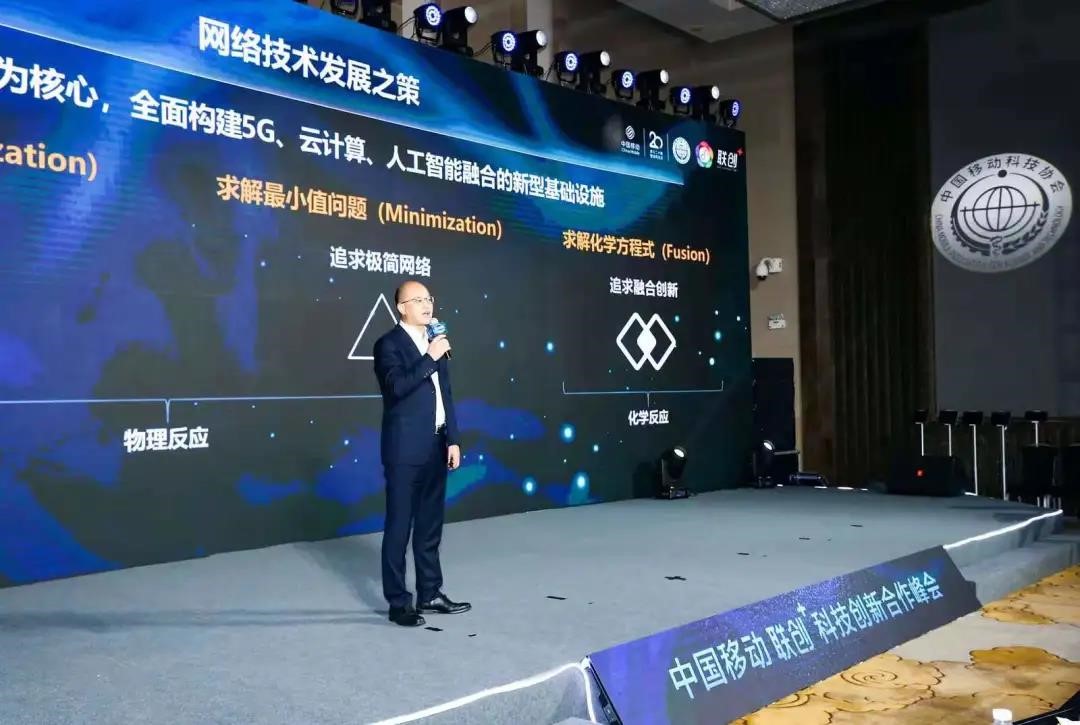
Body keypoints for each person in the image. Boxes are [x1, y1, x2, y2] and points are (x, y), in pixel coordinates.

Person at [372, 280, 471, 627]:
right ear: (401, 307)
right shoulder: (388, 344)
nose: (427, 304)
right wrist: (430, 357)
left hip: (437, 444)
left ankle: (430, 593)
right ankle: (399, 603)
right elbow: (396, 387)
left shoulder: (435, 340)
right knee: (399, 527)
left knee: (430, 527)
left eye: (429, 298)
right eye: (418, 300)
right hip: (404, 449)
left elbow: (446, 394)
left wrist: (453, 439)